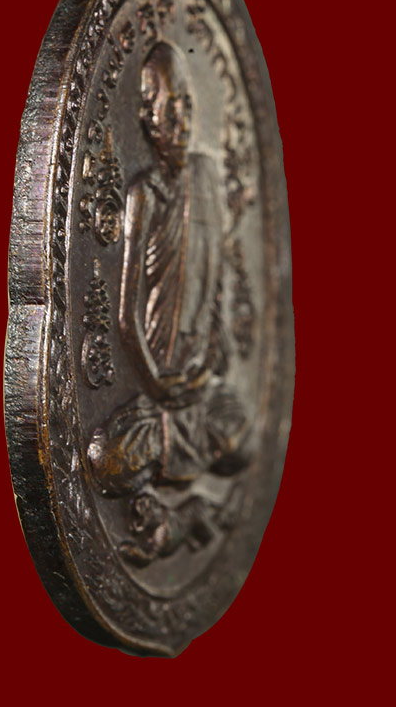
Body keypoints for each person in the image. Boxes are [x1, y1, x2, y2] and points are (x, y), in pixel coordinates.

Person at [87, 41, 252, 567]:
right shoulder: (147, 194)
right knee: (106, 463)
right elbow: (126, 315)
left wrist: (207, 366)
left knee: (244, 441)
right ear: (148, 118)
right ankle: (180, 502)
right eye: (168, 107)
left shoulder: (206, 178)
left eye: (187, 105)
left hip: (197, 389)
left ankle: (175, 502)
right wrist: (157, 382)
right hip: (155, 392)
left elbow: (219, 287)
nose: (181, 120)